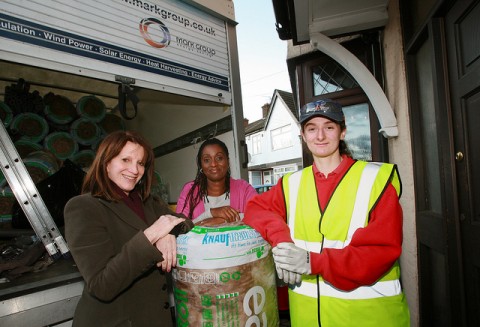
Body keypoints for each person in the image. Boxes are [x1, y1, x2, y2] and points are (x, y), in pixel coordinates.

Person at [243, 99, 410, 327]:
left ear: (342, 132)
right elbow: (255, 208)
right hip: (307, 319)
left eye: (329, 127)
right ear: (302, 135)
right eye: (312, 129)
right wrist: (282, 242)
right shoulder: (291, 183)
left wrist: (314, 262)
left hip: (370, 318)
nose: (320, 136)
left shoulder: (376, 181)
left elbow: (379, 252)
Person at [64, 130, 194, 327]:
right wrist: (152, 235)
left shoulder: (148, 202)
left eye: (140, 163)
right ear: (106, 162)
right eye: (125, 160)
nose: (134, 170)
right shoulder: (83, 207)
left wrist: (169, 234)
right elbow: (102, 285)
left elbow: (186, 223)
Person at [176, 137, 257, 225]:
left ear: (228, 161)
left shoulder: (243, 188)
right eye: (207, 160)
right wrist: (211, 213)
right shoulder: (190, 190)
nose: (214, 164)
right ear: (201, 165)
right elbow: (179, 227)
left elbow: (261, 215)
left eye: (219, 158)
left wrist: (221, 220)